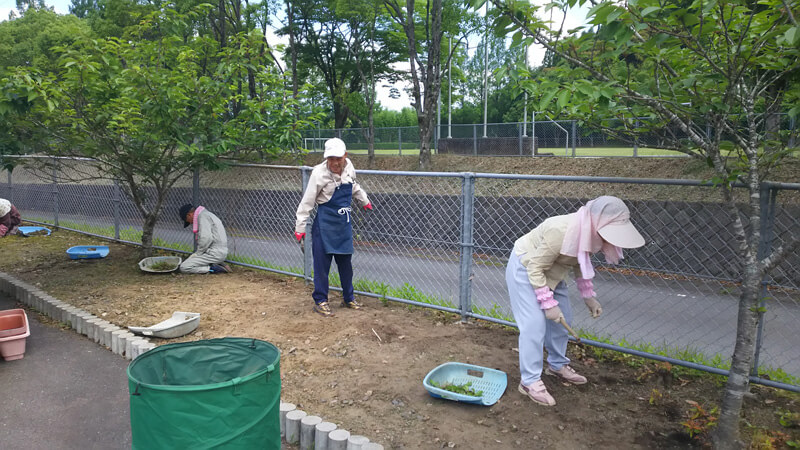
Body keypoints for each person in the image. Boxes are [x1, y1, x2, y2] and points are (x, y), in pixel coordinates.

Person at [506, 196, 645, 406]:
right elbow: (535, 268)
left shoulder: (590, 232)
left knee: (565, 319)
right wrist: (548, 304)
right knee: (533, 325)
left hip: (554, 269)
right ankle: (529, 381)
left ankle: (556, 365)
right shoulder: (560, 231)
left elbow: (580, 261)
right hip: (527, 267)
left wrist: (589, 297)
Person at [295, 138, 372, 317]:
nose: (335, 163)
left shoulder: (349, 167)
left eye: (338, 158)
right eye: (331, 159)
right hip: (324, 225)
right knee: (322, 266)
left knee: (346, 265)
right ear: (326, 158)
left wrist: (364, 200)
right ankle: (320, 300)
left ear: (345, 156)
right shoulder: (318, 173)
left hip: (343, 225)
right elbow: (307, 202)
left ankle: (348, 297)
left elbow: (353, 186)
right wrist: (300, 227)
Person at [178, 203, 231, 274]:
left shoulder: (202, 217)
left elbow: (206, 238)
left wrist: (198, 253)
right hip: (217, 251)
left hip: (214, 253)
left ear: (189, 215)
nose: (190, 223)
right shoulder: (206, 214)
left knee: (184, 267)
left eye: (187, 220)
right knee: (192, 260)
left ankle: (214, 269)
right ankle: (218, 263)